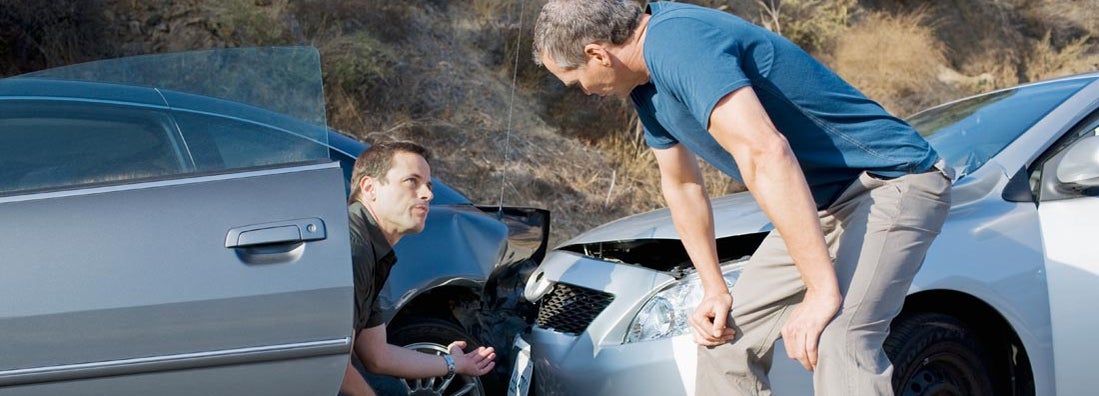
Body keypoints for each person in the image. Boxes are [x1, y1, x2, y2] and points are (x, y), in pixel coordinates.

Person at [532, 1, 951, 395]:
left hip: (889, 183)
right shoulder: (646, 88)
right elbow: (682, 185)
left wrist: (821, 291)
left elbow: (766, 152)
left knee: (840, 335)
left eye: (575, 81)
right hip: (822, 206)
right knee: (723, 338)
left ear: (598, 54)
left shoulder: (677, 40)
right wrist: (714, 290)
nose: (584, 92)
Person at [339, 141, 497, 396]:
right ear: (370, 188)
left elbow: (377, 355)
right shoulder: (352, 249)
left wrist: (455, 363)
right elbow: (334, 367)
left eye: (428, 185)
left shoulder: (372, 249)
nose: (427, 194)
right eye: (412, 181)